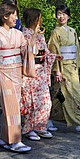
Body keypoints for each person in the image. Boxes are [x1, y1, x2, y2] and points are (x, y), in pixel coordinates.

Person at [0, 2, 38, 153]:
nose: (16, 18)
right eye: (14, 15)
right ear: (5, 17)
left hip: (16, 72)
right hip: (3, 73)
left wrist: (33, 38)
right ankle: (15, 141)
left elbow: (27, 51)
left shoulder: (18, 34)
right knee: (11, 107)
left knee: (12, 107)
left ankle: (5, 138)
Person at [48, 4, 80, 136]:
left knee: (75, 94)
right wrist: (57, 71)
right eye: (59, 13)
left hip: (72, 67)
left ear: (69, 16)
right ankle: (49, 119)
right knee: (59, 94)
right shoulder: (55, 32)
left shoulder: (72, 31)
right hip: (62, 67)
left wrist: (77, 64)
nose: (61, 16)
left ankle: (77, 122)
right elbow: (54, 51)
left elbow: (76, 48)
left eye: (64, 14)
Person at [21, 8, 61, 141]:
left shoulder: (41, 35)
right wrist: (33, 36)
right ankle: (29, 128)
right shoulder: (24, 34)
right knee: (31, 102)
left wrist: (54, 56)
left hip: (41, 72)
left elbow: (45, 51)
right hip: (30, 71)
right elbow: (29, 52)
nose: (40, 21)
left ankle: (40, 126)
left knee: (45, 101)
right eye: (39, 18)